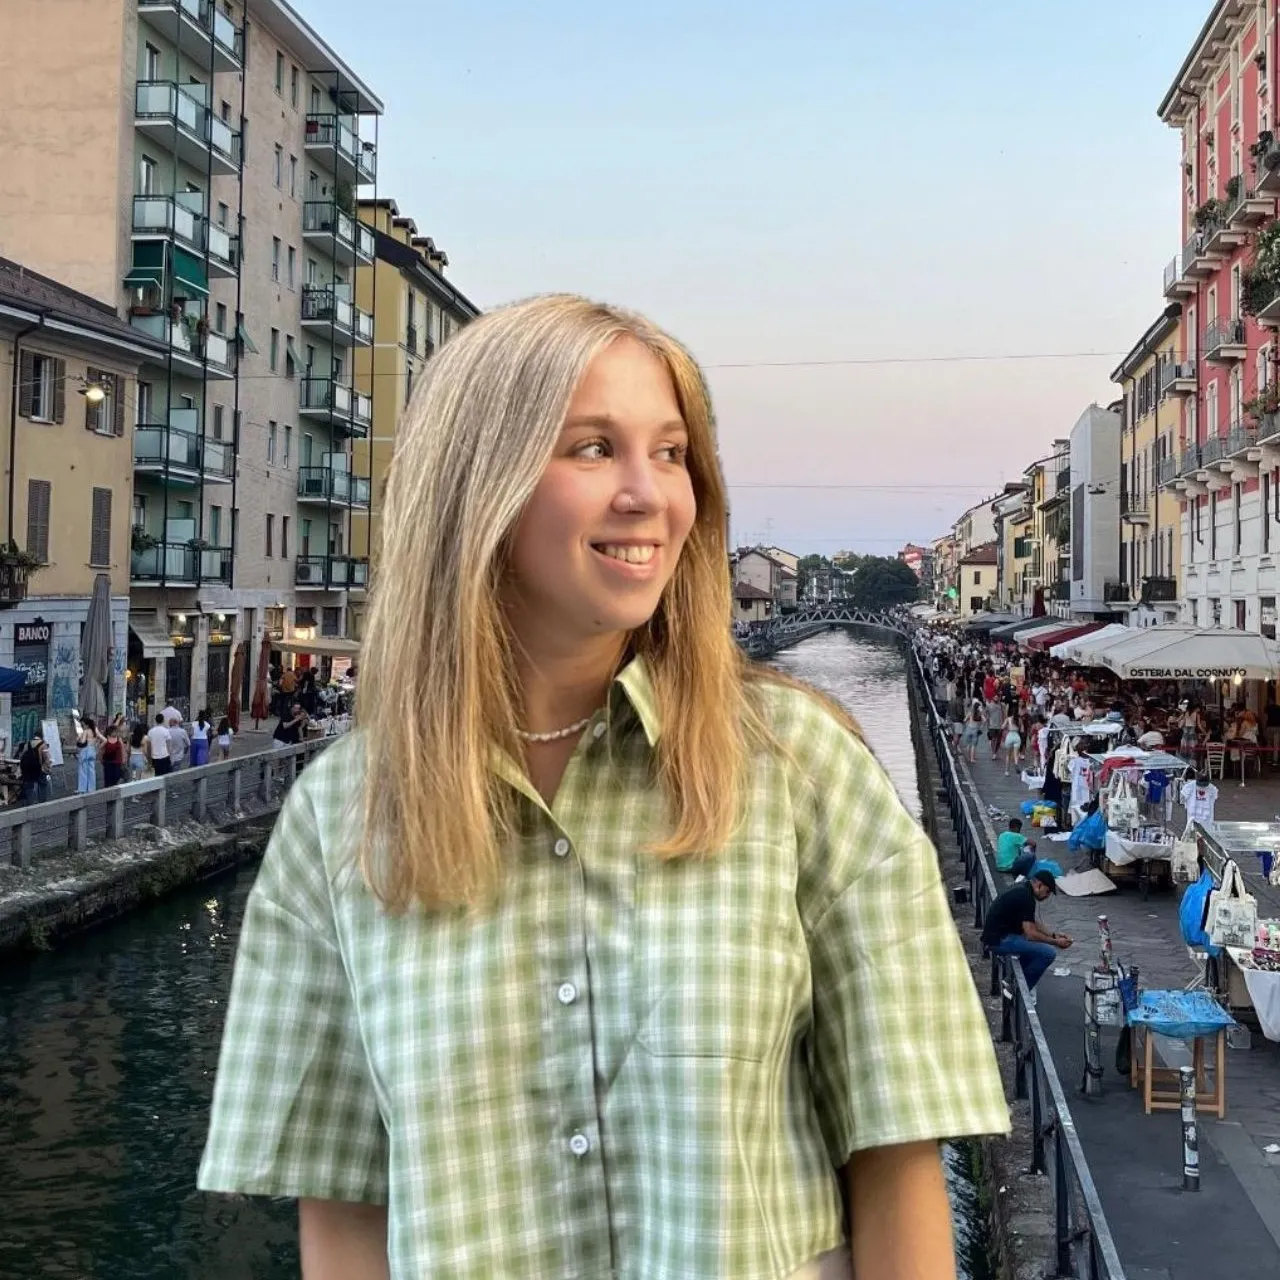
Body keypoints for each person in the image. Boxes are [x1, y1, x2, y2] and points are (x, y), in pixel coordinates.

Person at [199, 295, 1009, 1279]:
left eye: (671, 453)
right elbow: (342, 1204)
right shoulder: (339, 817)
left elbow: (895, 1161)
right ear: (476, 482)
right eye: (592, 447)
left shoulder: (805, 768)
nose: (650, 494)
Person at [981, 870, 1072, 990]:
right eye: (1047, 891)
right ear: (1039, 885)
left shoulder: (1023, 890)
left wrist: (1054, 935)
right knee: (1048, 953)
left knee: (1036, 948)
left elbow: (1031, 922)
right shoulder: (1026, 897)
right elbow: (1030, 934)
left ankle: (1012, 980)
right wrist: (1055, 942)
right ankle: (1019, 989)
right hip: (999, 940)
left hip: (996, 936)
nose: (1046, 896)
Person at [18, 736, 51, 805]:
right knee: (42, 784)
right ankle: (42, 802)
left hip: (28, 768)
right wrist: (48, 768)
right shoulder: (43, 744)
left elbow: (22, 756)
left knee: (29, 785)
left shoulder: (27, 743)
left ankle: (30, 802)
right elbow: (46, 758)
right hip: (39, 768)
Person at [75, 718, 103, 794]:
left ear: (86, 724)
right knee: (91, 770)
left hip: (85, 751)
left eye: (82, 725)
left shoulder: (86, 731)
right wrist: (98, 747)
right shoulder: (95, 730)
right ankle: (91, 789)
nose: (82, 726)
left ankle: (82, 789)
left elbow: (83, 743)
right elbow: (105, 740)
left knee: (83, 770)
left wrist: (78, 739)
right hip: (92, 750)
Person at [100, 723, 126, 787]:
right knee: (108, 777)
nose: (117, 733)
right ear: (110, 732)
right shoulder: (106, 739)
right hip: (108, 761)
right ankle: (107, 790)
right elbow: (101, 749)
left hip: (117, 761)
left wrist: (124, 758)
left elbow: (122, 749)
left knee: (116, 776)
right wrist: (100, 758)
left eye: (117, 732)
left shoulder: (118, 739)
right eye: (115, 731)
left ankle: (113, 789)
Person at [1000, 708, 1022, 775]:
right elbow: (1022, 730)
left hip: (1010, 736)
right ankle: (1016, 764)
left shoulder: (1008, 719)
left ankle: (1007, 771)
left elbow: (1002, 727)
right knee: (1016, 754)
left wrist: (1006, 726)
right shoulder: (1019, 719)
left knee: (1008, 755)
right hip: (1017, 736)